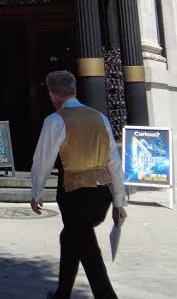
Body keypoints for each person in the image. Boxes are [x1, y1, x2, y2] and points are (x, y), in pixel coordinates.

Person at [29, 69, 126, 299]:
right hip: (101, 194)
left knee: (88, 251)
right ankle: (62, 294)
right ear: (74, 90)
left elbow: (43, 161)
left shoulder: (55, 120)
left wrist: (36, 193)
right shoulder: (100, 117)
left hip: (74, 195)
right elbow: (114, 162)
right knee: (70, 238)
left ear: (53, 95)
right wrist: (118, 201)